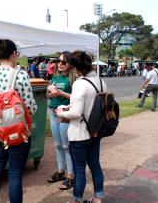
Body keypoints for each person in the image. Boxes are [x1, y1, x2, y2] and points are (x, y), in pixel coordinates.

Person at [0, 39, 37, 203]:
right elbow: (31, 108)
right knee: (15, 173)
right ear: (13, 54)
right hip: (19, 133)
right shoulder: (20, 75)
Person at [55, 51, 107, 203]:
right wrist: (69, 106)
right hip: (96, 131)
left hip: (79, 134)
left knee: (79, 169)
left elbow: (76, 113)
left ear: (77, 67)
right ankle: (98, 197)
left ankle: (77, 199)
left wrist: (60, 112)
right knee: (95, 165)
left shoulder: (80, 83)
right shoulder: (101, 81)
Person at [46, 51, 73, 190]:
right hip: (53, 112)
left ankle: (70, 176)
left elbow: (76, 97)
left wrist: (60, 93)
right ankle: (61, 171)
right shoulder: (55, 76)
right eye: (59, 61)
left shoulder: (72, 78)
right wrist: (50, 91)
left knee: (66, 146)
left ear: (70, 64)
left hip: (65, 115)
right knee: (57, 144)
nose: (60, 64)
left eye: (64, 62)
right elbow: (48, 95)